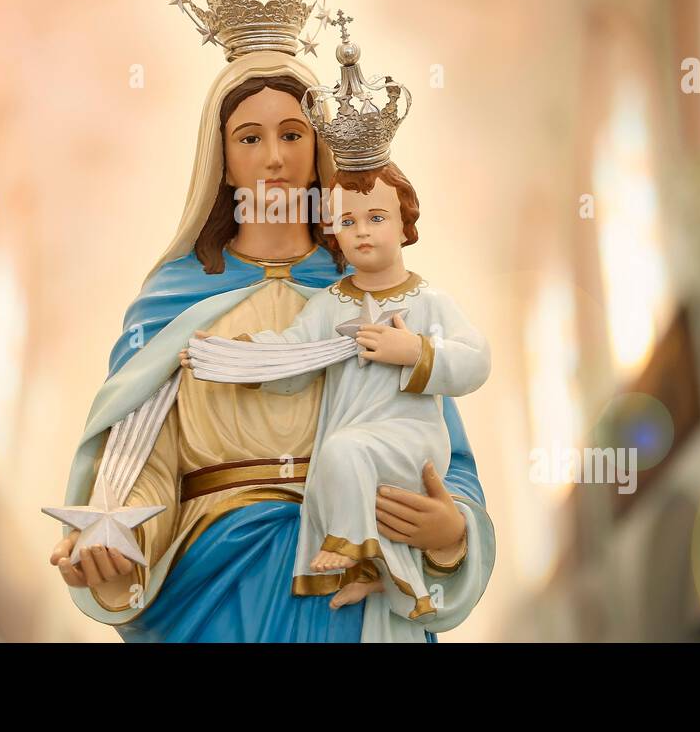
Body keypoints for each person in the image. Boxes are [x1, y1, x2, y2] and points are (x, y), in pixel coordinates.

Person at [50, 51, 495, 641]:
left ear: (319, 152)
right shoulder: (174, 299)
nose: (275, 158)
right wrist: (121, 539)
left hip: (346, 585)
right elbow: (143, 460)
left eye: (292, 134)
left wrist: (450, 532)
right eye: (249, 137)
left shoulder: (379, 296)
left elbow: (441, 451)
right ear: (222, 159)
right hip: (214, 579)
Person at [181, 161, 490, 623]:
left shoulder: (429, 303)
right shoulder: (331, 305)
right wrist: (233, 355)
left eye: (377, 218)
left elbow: (475, 361)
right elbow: (292, 358)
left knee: (343, 451)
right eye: (348, 222)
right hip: (353, 446)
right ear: (333, 232)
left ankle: (347, 548)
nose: (362, 232)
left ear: (406, 226)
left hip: (411, 442)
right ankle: (370, 567)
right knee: (340, 458)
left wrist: (415, 350)